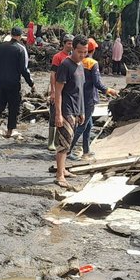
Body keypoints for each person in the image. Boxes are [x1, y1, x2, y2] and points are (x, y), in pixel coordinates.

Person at [69, 38, 117, 160]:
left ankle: (86, 150)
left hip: (78, 96)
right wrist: (108, 90)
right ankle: (67, 150)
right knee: (82, 126)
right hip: (89, 98)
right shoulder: (92, 63)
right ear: (94, 49)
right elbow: (97, 83)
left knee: (88, 125)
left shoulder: (77, 61)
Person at [53, 34, 88, 187]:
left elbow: (79, 91)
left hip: (76, 109)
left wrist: (82, 111)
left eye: (85, 52)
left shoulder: (81, 66)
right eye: (79, 52)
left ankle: (64, 170)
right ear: (72, 49)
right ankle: (59, 175)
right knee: (64, 143)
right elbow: (58, 92)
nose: (82, 55)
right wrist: (58, 114)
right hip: (66, 110)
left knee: (70, 141)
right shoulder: (65, 65)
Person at [0, 26, 34, 138]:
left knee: (0, 101)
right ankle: (10, 130)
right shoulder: (20, 49)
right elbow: (23, 69)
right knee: (13, 106)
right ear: (20, 36)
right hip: (13, 82)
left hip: (1, 80)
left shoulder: (2, 46)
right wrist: (31, 83)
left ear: (10, 34)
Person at [48, 33, 73, 150]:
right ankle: (50, 142)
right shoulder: (58, 57)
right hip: (58, 88)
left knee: (64, 114)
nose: (71, 45)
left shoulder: (73, 57)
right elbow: (53, 74)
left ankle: (59, 139)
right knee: (54, 114)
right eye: (68, 43)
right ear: (64, 44)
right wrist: (52, 91)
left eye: (72, 43)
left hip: (68, 90)